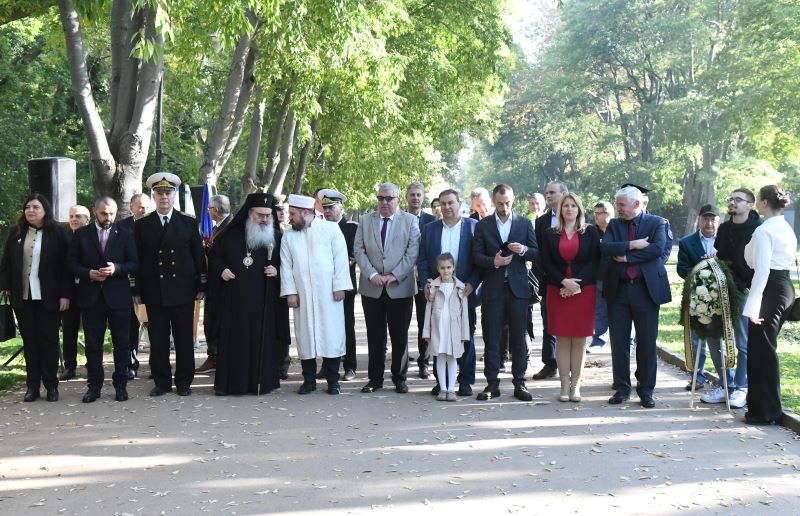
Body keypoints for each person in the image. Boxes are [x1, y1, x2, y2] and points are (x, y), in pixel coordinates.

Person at [133, 172, 206, 397]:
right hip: (155, 291)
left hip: (183, 290)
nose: (164, 197)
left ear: (174, 196)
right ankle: (162, 382)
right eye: (159, 193)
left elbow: (198, 256)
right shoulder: (142, 225)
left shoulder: (188, 222)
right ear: (153, 196)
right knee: (158, 339)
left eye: (168, 193)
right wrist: (136, 289)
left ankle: (184, 381)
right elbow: (137, 260)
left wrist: (202, 285)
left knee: (184, 339)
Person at [601, 186, 671, 408]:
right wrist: (634, 245)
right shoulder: (614, 224)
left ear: (637, 204)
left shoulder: (657, 223)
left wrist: (626, 257)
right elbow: (606, 248)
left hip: (646, 291)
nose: (619, 209)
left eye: (622, 205)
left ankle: (646, 390)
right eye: (618, 204)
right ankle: (622, 388)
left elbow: (657, 249)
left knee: (647, 343)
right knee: (619, 342)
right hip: (619, 290)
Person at [209, 192, 285, 395]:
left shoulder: (277, 237)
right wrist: (222, 269)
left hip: (263, 301)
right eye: (260, 215)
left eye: (268, 215)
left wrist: (277, 270)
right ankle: (231, 384)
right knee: (236, 341)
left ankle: (263, 382)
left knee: (261, 341)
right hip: (235, 300)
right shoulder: (229, 235)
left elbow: (289, 265)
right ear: (249, 213)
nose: (265, 219)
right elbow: (214, 257)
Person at [0, 194, 72, 402]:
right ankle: (32, 386)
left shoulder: (59, 232)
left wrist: (65, 295)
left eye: (35, 207)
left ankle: (51, 385)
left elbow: (67, 267)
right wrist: (5, 286)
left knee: (49, 341)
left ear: (45, 210)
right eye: (27, 207)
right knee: (30, 341)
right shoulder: (16, 232)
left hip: (50, 297)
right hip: (23, 297)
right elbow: (6, 263)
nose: (30, 211)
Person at [66, 197, 138, 402]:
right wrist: (87, 273)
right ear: (94, 211)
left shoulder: (125, 233)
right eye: (104, 213)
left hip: (118, 297)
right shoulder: (81, 234)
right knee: (93, 344)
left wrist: (117, 269)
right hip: (91, 298)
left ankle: (121, 385)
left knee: (122, 344)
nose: (108, 217)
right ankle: (94, 386)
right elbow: (70, 263)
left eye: (112, 214)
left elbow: (134, 263)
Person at [281, 194, 353, 395]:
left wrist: (340, 286)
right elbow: (286, 266)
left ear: (305, 212)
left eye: (293, 214)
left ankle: (333, 380)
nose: (290, 218)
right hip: (302, 295)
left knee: (331, 335)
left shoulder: (331, 229)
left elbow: (341, 259)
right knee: (306, 336)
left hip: (328, 294)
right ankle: (309, 381)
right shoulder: (288, 236)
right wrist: (290, 292)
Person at [472, 184, 539, 401]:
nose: (504, 207)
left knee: (518, 338)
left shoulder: (524, 223)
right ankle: (492, 383)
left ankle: (520, 382)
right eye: (500, 203)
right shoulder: (483, 226)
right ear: (493, 201)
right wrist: (494, 261)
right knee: (491, 337)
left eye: (508, 202)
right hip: (493, 289)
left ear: (513, 199)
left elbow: (537, 253)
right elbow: (476, 256)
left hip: (518, 290)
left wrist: (524, 250)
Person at [354, 182, 420, 394]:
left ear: (398, 200)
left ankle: (399, 378)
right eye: (380, 198)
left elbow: (412, 252)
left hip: (400, 287)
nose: (384, 202)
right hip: (372, 287)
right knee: (375, 336)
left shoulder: (410, 221)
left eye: (389, 198)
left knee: (400, 335)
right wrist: (372, 274)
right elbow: (358, 249)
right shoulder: (365, 220)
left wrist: (394, 275)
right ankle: (375, 379)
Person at [741, 185, 796, 425]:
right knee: (764, 349)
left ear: (764, 202)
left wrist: (753, 307)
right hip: (784, 287)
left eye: (758, 199)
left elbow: (761, 270)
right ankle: (764, 409)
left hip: (769, 290)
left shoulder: (764, 231)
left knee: (761, 350)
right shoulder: (785, 227)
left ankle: (765, 412)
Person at [418, 189, 481, 397]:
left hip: (464, 293)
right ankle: (442, 383)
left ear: (459, 204)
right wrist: (426, 283)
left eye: (450, 203)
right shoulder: (430, 229)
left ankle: (465, 381)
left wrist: (472, 283)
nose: (446, 207)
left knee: (465, 336)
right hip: (438, 293)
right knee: (440, 336)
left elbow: (479, 259)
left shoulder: (473, 227)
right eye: (443, 203)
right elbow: (423, 259)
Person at [539, 193, 600, 402]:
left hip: (584, 291)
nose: (570, 209)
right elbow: (546, 263)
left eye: (574, 206)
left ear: (579, 209)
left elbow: (594, 262)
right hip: (557, 290)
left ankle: (576, 385)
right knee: (563, 338)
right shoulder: (550, 233)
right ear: (560, 209)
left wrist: (576, 285)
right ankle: (564, 385)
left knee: (580, 340)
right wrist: (563, 282)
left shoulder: (590, 232)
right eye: (566, 205)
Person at [704, 188, 760, 407]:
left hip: (745, 291)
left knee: (742, 342)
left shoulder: (758, 229)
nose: (733, 202)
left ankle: (742, 387)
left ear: (750, 205)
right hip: (721, 288)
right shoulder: (725, 228)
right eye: (731, 199)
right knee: (713, 336)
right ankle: (725, 383)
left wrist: (749, 288)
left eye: (738, 199)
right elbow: (722, 255)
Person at [676, 204, 721, 393]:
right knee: (696, 339)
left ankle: (726, 380)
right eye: (705, 219)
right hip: (696, 296)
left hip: (720, 297)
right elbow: (682, 269)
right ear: (699, 220)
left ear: (718, 221)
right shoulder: (687, 242)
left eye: (712, 219)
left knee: (719, 339)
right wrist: (701, 272)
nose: (709, 223)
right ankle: (696, 377)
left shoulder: (726, 241)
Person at [318, 188, 359, 381]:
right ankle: (327, 365)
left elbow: (352, 256)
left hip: (344, 286)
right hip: (324, 286)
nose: (327, 211)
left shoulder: (351, 228)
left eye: (331, 207)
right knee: (327, 326)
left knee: (347, 325)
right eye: (324, 208)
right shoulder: (320, 228)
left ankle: (350, 366)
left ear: (341, 207)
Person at [532, 180, 567, 380]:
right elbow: (538, 252)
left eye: (552, 192)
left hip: (573, 281)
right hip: (549, 279)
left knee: (570, 324)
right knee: (549, 323)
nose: (548, 196)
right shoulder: (542, 222)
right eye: (547, 193)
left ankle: (571, 364)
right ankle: (550, 363)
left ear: (563, 194)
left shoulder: (577, 216)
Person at [422, 253, 470, 401]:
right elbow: (428, 311)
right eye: (442, 268)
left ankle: (451, 389)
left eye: (449, 267)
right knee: (440, 358)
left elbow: (464, 314)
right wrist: (426, 331)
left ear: (453, 267)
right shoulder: (433, 287)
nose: (446, 271)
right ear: (438, 269)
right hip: (439, 328)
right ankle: (442, 389)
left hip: (453, 329)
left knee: (452, 358)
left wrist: (465, 334)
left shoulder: (461, 287)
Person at [195, 194, 231, 375]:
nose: (208, 212)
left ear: (215, 210)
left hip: (225, 284)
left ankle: (218, 358)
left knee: (218, 323)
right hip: (214, 284)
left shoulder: (231, 227)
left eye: (209, 209)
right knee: (211, 322)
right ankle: (214, 357)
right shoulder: (219, 226)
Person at [117, 193, 151, 379]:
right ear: (131, 208)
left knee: (155, 326)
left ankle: (157, 364)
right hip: (128, 284)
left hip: (151, 284)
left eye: (146, 206)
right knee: (130, 326)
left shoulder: (155, 224)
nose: (143, 210)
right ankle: (130, 363)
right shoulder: (121, 227)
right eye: (140, 206)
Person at [406, 181, 436, 379]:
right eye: (412, 194)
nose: (415, 198)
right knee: (401, 322)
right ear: (406, 197)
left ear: (423, 197)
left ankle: (424, 363)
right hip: (402, 278)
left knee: (424, 322)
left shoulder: (431, 221)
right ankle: (400, 360)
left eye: (418, 195)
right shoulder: (399, 218)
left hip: (424, 278)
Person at [60, 204, 91, 381]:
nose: (74, 219)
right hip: (69, 292)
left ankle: (92, 363)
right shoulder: (63, 238)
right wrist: (63, 294)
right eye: (71, 216)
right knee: (69, 329)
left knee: (91, 329)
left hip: (90, 290)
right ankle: (69, 366)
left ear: (87, 219)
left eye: (78, 216)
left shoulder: (94, 237)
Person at [589, 201, 613, 352]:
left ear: (608, 214)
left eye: (599, 213)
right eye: (595, 213)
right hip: (598, 277)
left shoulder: (618, 229)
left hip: (618, 276)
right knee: (600, 310)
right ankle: (598, 340)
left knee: (621, 310)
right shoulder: (592, 231)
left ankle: (626, 342)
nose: (595, 216)